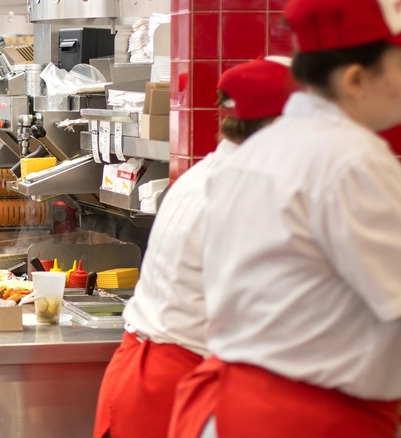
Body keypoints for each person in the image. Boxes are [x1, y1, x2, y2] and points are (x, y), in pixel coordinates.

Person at [168, 0, 401, 436]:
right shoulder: (353, 161)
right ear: (355, 79)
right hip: (307, 417)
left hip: (236, 407)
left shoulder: (254, 154)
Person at [92, 57, 298, 438]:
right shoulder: (247, 192)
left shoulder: (204, 175)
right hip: (168, 388)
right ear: (279, 125)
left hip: (140, 372)